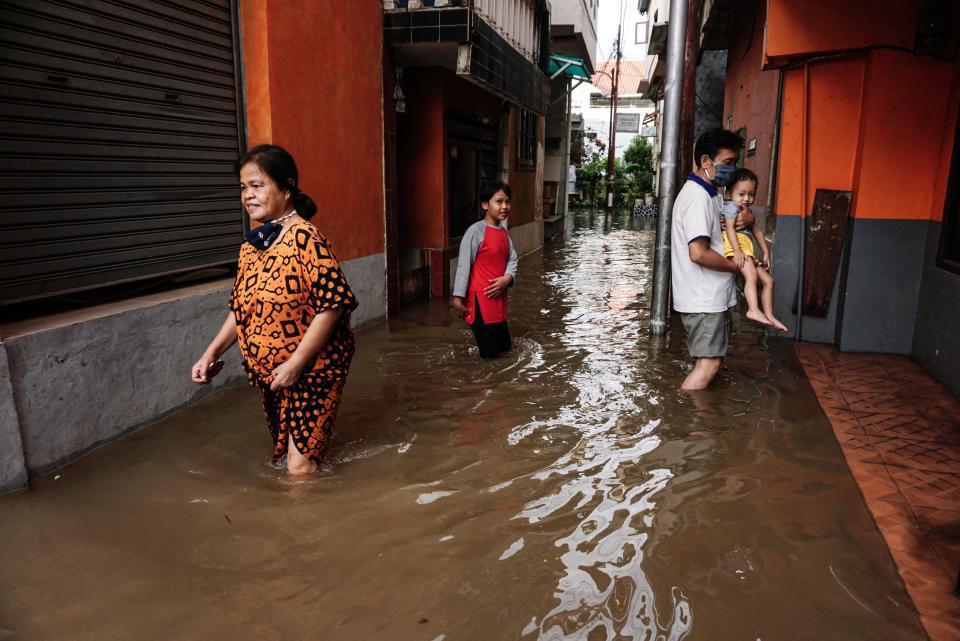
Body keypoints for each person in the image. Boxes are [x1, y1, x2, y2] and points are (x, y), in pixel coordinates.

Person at [191, 145, 358, 474]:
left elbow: (333, 305)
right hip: (272, 374)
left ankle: (306, 523)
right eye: (243, 188)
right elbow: (240, 308)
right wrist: (209, 353)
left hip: (313, 369)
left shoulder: (305, 238)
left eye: (257, 185)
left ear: (287, 187)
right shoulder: (253, 245)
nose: (248, 195)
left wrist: (296, 364)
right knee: (284, 456)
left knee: (299, 469)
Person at [670, 128, 754, 390]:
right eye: (728, 162)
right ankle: (686, 422)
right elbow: (698, 252)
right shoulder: (697, 198)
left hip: (706, 296)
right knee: (709, 365)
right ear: (706, 161)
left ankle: (696, 420)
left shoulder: (710, 194)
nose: (732, 169)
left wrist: (749, 218)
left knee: (704, 362)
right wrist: (738, 266)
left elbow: (731, 224)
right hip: (704, 297)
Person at [451, 180, 518, 359]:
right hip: (480, 302)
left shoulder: (504, 233)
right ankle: (484, 386)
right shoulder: (475, 231)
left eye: (507, 201)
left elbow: (512, 258)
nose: (505, 206)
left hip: (499, 301)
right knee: (490, 356)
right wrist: (457, 299)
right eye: (499, 201)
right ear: (485, 204)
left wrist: (508, 278)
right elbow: (464, 266)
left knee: (505, 349)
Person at [721, 168, 788, 332]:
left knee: (769, 281)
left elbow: (757, 231)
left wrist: (766, 252)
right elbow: (729, 228)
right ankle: (753, 309)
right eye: (742, 194)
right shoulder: (730, 207)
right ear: (729, 194)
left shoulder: (746, 211)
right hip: (736, 245)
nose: (747, 198)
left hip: (746, 248)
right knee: (750, 275)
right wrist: (737, 250)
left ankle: (769, 314)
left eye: (751, 194)